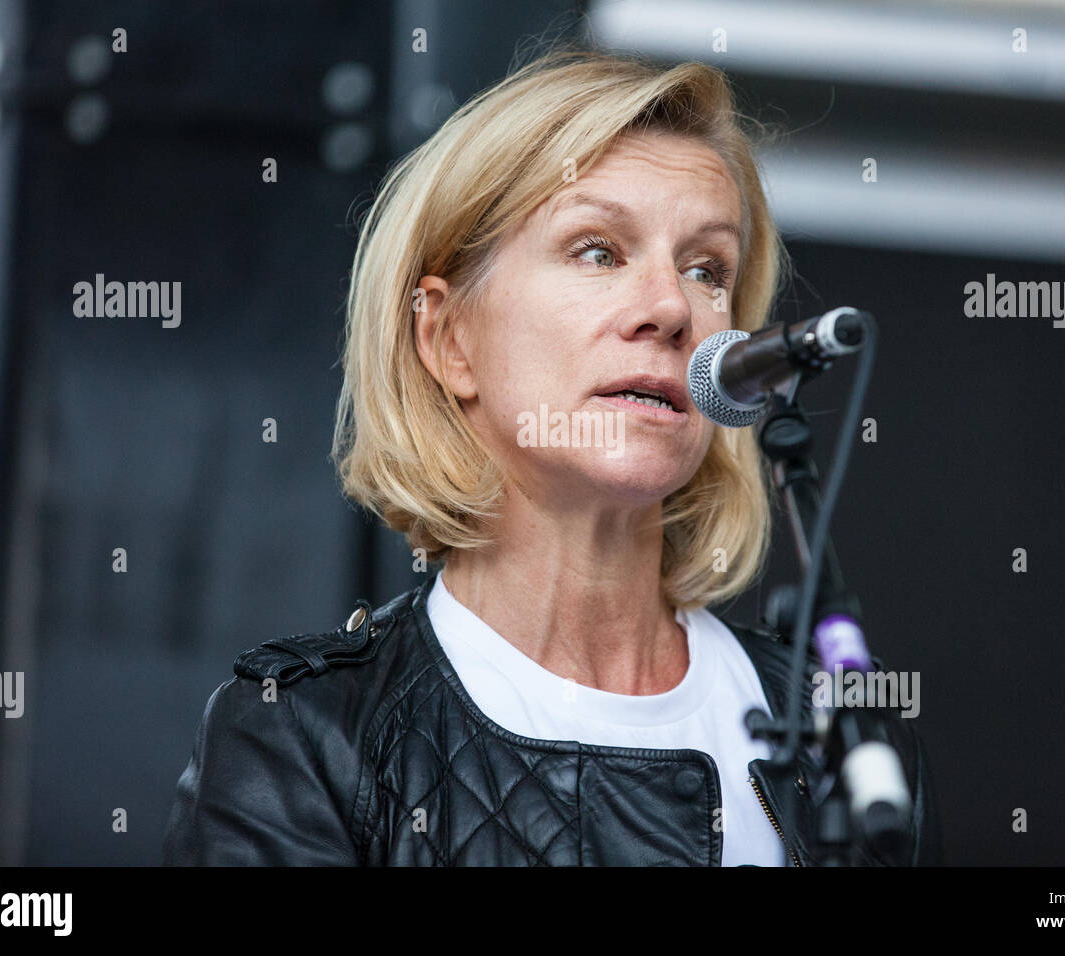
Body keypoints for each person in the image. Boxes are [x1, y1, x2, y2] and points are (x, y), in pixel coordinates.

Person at [162, 46, 939, 866]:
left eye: (707, 268)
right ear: (448, 338)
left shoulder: (852, 747)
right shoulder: (302, 738)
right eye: (598, 251)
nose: (671, 307)